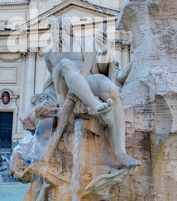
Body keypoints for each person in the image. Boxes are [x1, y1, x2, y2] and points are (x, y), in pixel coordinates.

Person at [44, 16, 140, 168]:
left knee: (112, 90)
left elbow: (100, 68)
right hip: (65, 86)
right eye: (54, 29)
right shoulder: (49, 53)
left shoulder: (83, 44)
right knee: (65, 64)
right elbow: (52, 78)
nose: (58, 33)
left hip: (85, 78)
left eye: (61, 28)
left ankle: (119, 153)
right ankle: (96, 106)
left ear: (69, 29)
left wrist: (103, 49)